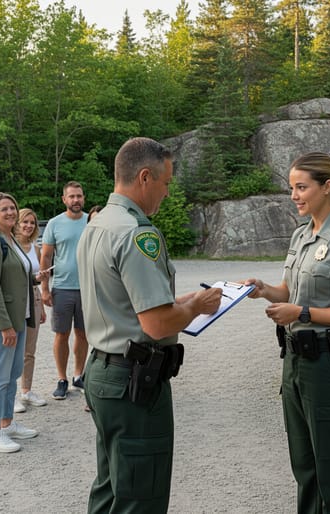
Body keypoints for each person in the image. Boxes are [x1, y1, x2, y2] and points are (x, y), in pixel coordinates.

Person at [77, 137, 222, 513]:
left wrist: (188, 301)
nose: (168, 193)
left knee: (110, 488)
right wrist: (199, 307)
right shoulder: (137, 234)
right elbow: (156, 323)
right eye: (166, 183)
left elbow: (127, 302)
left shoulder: (97, 224)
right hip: (133, 383)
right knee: (141, 497)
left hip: (103, 370)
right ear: (145, 177)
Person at [244, 152, 330, 513]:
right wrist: (264, 289)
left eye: (301, 187)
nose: (294, 196)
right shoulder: (303, 234)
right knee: (305, 468)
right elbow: (288, 291)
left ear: (327, 187)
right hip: (297, 364)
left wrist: (301, 312)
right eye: (292, 188)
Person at [0, 192, 39, 453]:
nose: (11, 213)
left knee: (12, 374)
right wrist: (4, 325)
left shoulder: (11, 239)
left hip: (20, 318)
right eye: (5, 209)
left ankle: (6, 422)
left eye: (13, 208)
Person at [40, 181, 89, 400]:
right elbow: (46, 257)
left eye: (79, 196)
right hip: (62, 287)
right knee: (62, 334)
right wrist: (45, 288)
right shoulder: (54, 223)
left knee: (83, 333)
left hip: (88, 288)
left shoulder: (92, 221)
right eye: (72, 196)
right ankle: (62, 379)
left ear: (83, 198)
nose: (76, 200)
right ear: (64, 199)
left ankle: (79, 374)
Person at [13, 208, 48, 413]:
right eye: (24, 222)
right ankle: (12, 396)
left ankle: (26, 390)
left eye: (32, 223)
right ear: (17, 223)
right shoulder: (10, 246)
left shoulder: (35, 248)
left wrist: (41, 306)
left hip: (33, 300)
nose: (28, 226)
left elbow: (34, 279)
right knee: (13, 350)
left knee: (29, 351)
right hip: (17, 302)